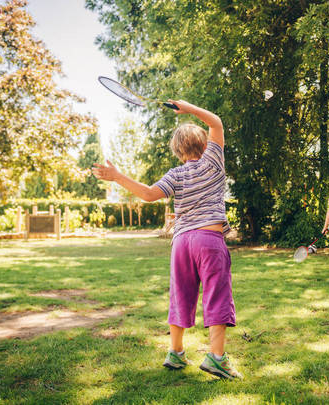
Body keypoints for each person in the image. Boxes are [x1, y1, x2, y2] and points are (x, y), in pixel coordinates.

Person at [92, 100, 242, 380]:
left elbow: (149, 194)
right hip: (209, 239)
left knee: (181, 293)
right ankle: (217, 359)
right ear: (204, 144)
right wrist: (189, 108)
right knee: (217, 295)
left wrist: (117, 176)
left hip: (182, 242)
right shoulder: (213, 160)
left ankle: (175, 352)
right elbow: (216, 122)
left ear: (178, 151)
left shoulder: (175, 174)